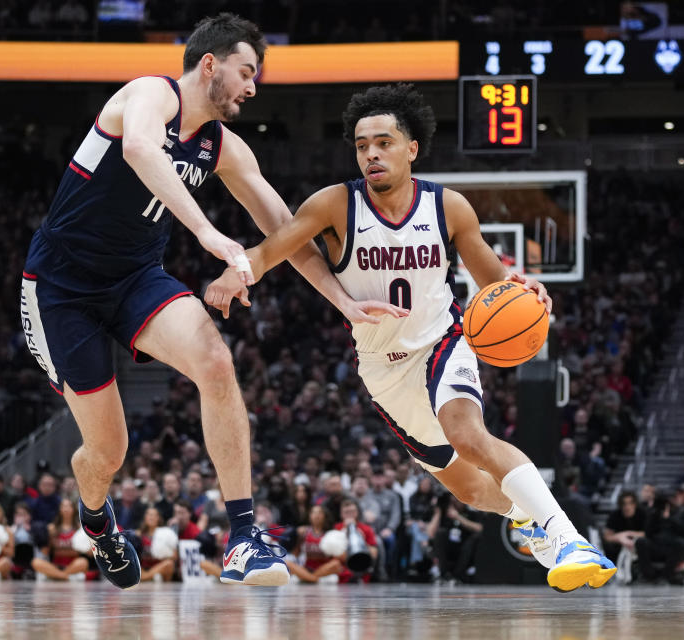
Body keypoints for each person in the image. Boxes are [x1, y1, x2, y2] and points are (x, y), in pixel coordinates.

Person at [18, 13, 400, 589]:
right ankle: (96, 519)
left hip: (135, 279)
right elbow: (143, 151)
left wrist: (343, 303)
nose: (251, 87)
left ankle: (244, 536)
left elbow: (285, 228)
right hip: (60, 289)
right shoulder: (148, 94)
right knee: (109, 449)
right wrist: (206, 233)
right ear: (209, 64)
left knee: (216, 362)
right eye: (246, 72)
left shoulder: (223, 146)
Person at [207, 83, 616, 592]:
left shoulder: (449, 207)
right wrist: (237, 270)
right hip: (383, 368)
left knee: (469, 435)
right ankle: (527, 516)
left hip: (444, 343)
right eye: (361, 145)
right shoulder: (335, 204)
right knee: (469, 489)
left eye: (383, 142)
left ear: (411, 148)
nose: (371, 154)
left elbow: (493, 279)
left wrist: (522, 288)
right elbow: (275, 248)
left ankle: (571, 539)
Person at [30, 498, 90, 581]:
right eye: (64, 506)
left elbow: (89, 553)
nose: (66, 509)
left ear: (73, 509)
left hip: (72, 565)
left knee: (83, 562)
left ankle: (56, 576)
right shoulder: (52, 528)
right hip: (55, 565)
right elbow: (45, 551)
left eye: (69, 506)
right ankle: (65, 577)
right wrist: (43, 540)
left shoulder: (80, 528)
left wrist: (86, 547)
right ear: (60, 509)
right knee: (35, 562)